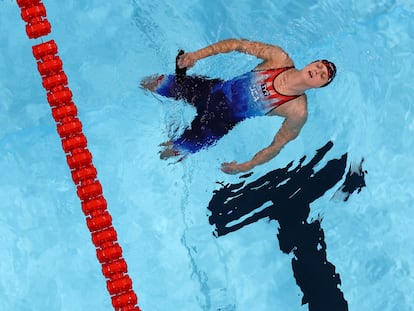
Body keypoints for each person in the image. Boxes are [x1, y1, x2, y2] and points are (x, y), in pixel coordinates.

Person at [141, 38, 336, 174]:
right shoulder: (279, 58)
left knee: (171, 153)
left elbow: (278, 145)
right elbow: (237, 44)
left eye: (323, 76)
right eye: (319, 66)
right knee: (151, 83)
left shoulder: (297, 111)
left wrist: (247, 165)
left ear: (320, 86)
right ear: (312, 63)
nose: (318, 71)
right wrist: (196, 56)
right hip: (211, 90)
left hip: (218, 124)